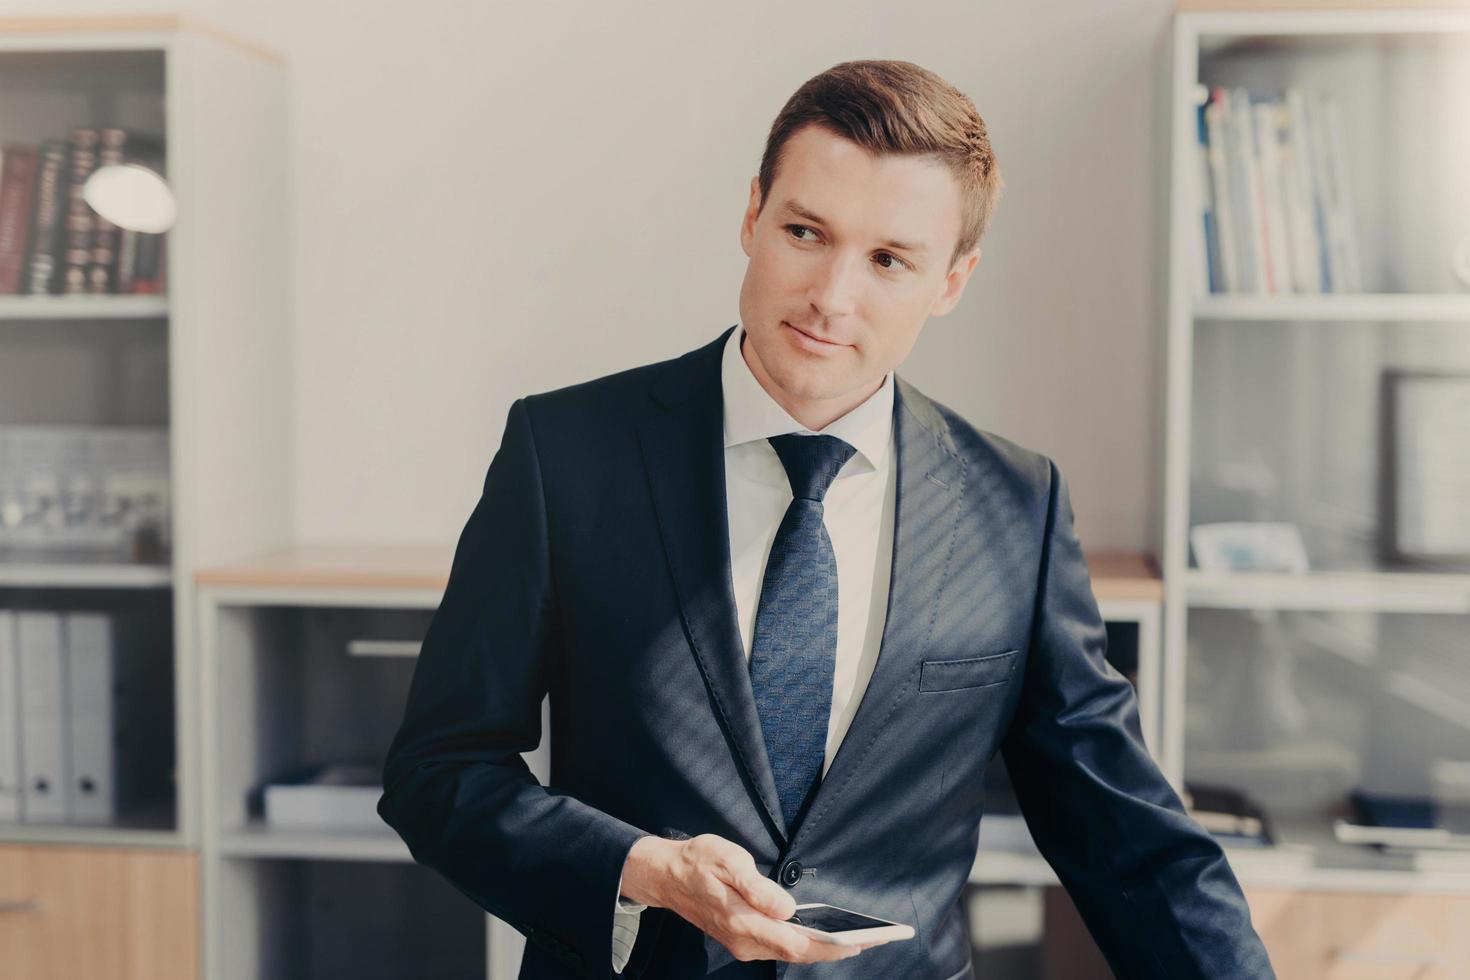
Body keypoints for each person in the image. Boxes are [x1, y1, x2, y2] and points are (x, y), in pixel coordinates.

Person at [377, 59, 1276, 980]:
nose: (831, 297)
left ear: (953, 280)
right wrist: (640, 869)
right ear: (752, 214)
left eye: (889, 260)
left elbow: (1128, 836)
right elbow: (438, 772)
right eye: (806, 232)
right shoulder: (562, 454)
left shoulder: (1019, 505)